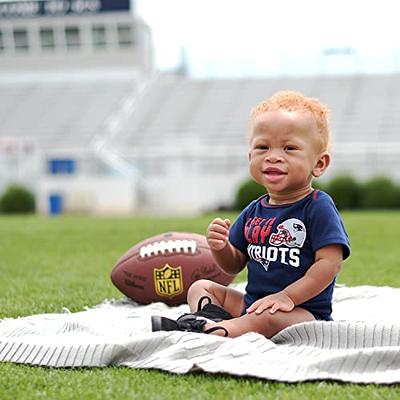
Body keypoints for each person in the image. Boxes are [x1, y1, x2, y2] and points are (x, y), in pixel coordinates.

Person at [152, 90, 350, 338]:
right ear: (250, 156)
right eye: (262, 147)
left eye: (289, 148)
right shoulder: (254, 210)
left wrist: (288, 297)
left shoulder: (317, 206)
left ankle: (213, 331)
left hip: (300, 312)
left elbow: (329, 264)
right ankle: (208, 321)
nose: (273, 156)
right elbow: (233, 264)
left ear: (319, 164)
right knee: (200, 287)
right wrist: (220, 246)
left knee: (267, 317)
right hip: (252, 304)